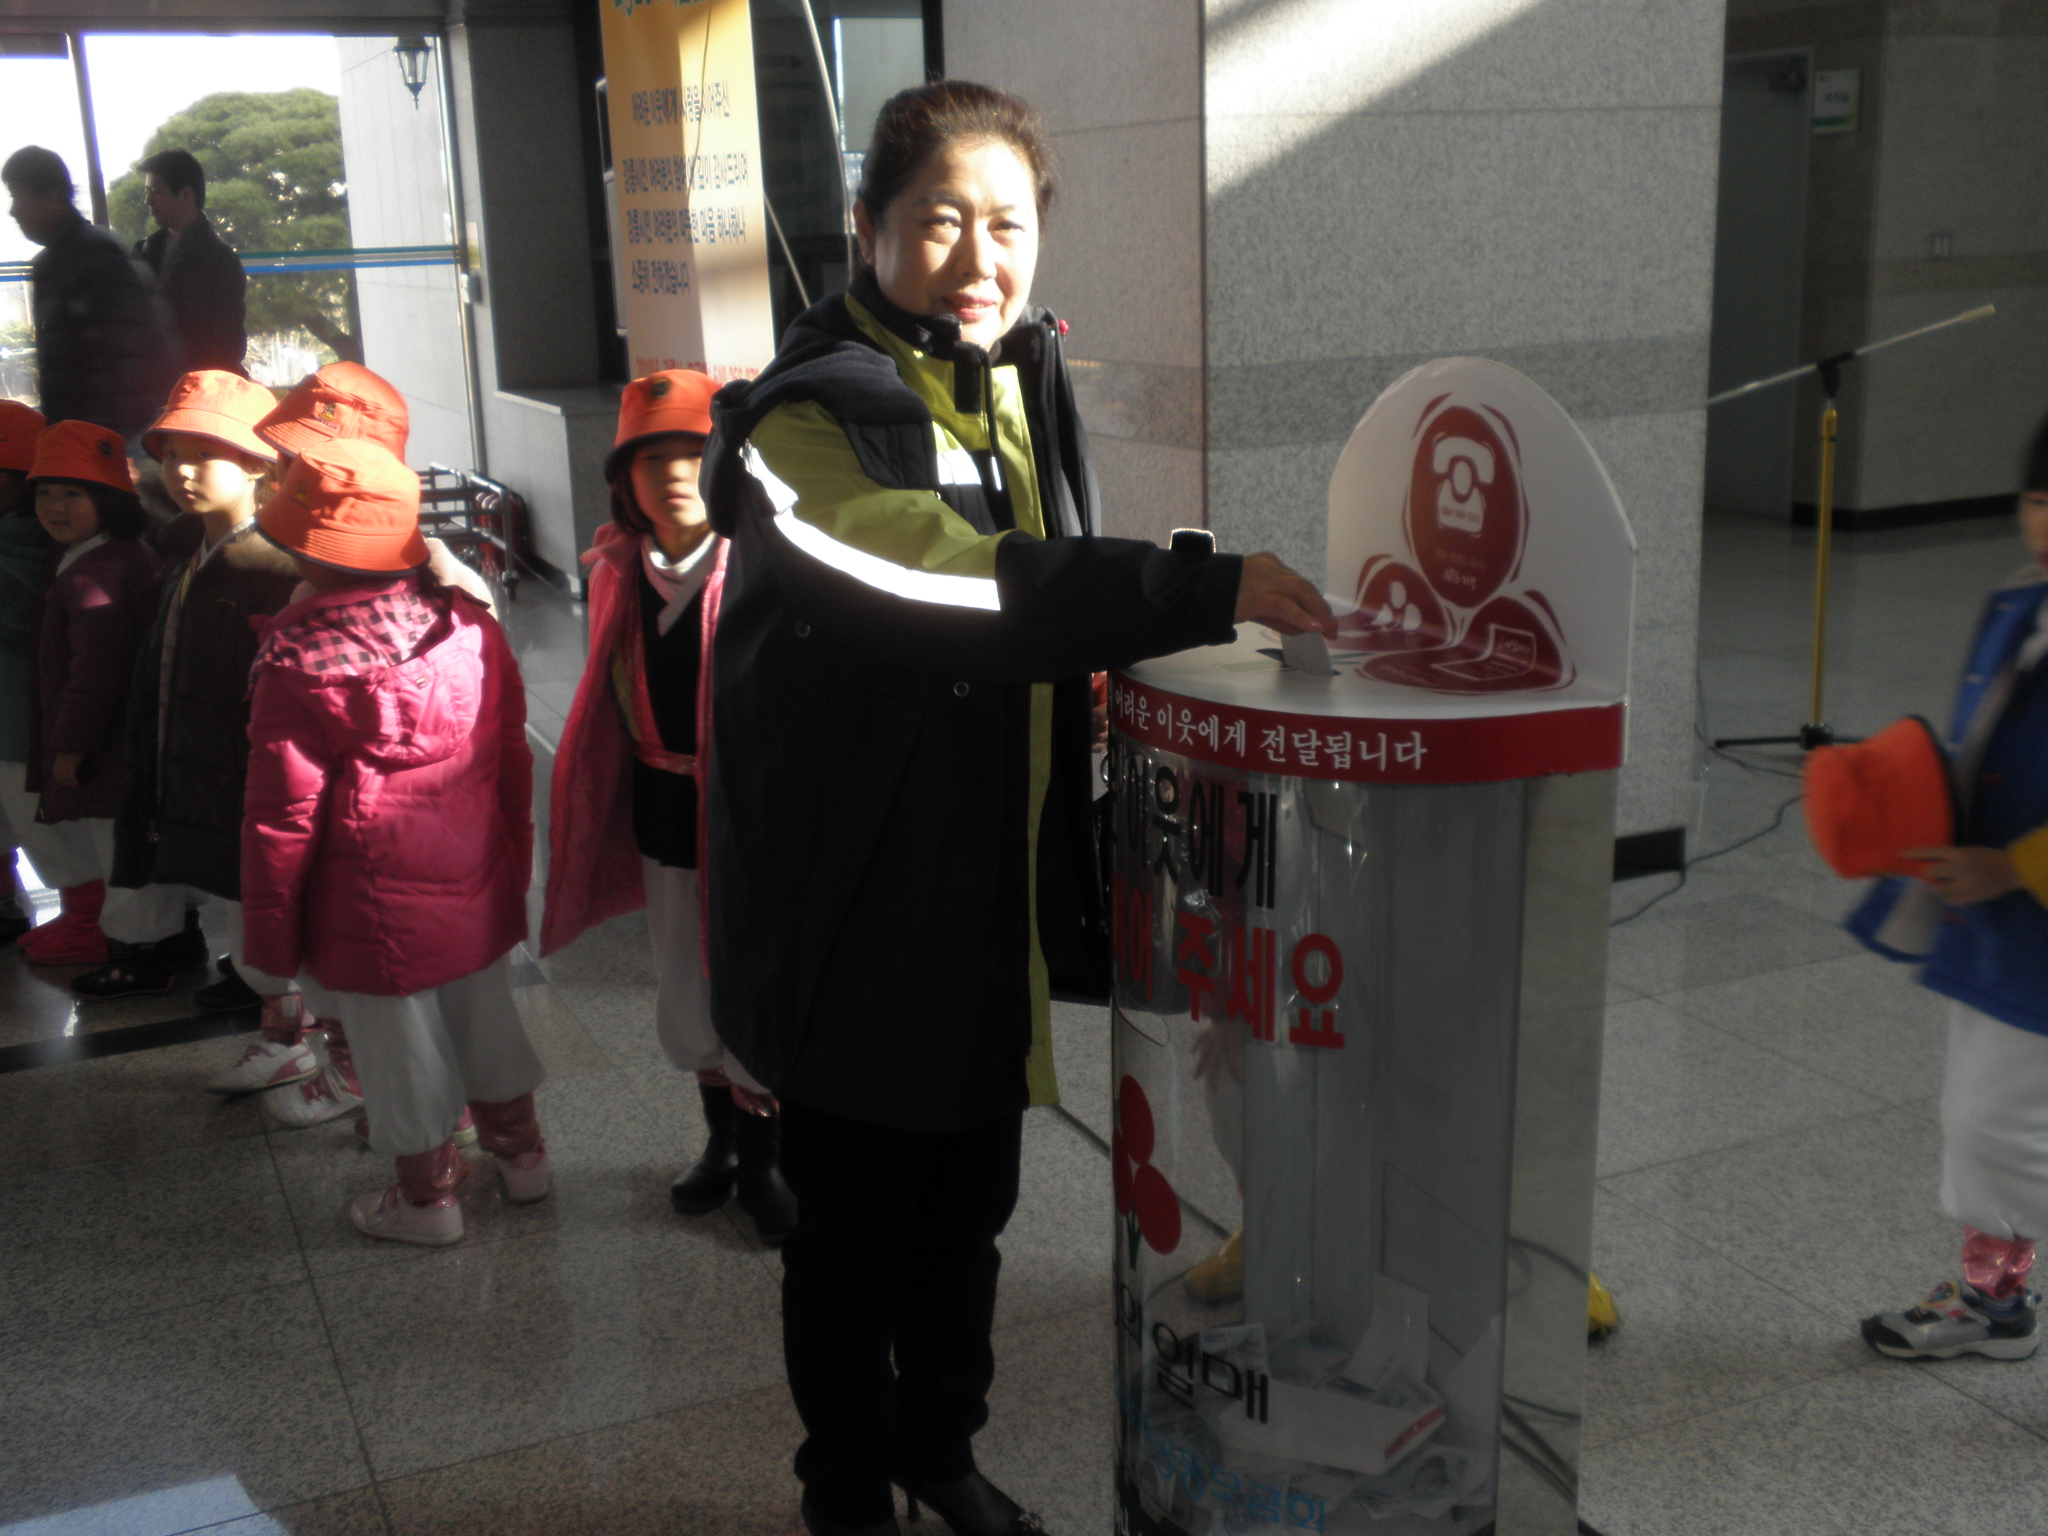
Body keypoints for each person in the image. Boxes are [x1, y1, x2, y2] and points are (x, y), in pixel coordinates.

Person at [699, 81, 1333, 1536]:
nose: (976, 257)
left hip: (992, 898)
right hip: (855, 909)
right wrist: (1192, 587)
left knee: (967, 1216)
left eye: (1006, 224)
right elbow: (931, 578)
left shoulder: (1016, 376)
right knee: (854, 1239)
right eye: (939, 220)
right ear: (866, 226)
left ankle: (941, 1454)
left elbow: (1039, 598)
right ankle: (847, 1493)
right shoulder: (802, 423)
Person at [240, 439, 545, 1246]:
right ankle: (524, 1162)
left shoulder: (294, 662)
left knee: (399, 1050)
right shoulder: (468, 625)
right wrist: (513, 867)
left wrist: (269, 940)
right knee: (486, 1021)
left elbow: (281, 820)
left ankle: (427, 1202)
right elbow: (511, 760)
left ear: (305, 549)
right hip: (473, 882)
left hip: (368, 909)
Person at [541, 369, 796, 1243]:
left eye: (694, 453)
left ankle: (767, 1157)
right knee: (683, 978)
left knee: (751, 973)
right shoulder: (621, 569)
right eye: (652, 460)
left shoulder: (763, 563)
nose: (676, 474)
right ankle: (720, 1139)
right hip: (663, 806)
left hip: (750, 817)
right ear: (624, 480)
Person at [1850, 418, 2048, 1362]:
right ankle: (1993, 1299)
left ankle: (1996, 1296)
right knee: (1977, 1118)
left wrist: (2014, 867)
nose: (2046, 525)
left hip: (2031, 922)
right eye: (2038, 500)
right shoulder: (2019, 605)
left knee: (1997, 1129)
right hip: (1997, 924)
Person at [72, 375, 299, 1026]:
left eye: (203, 454)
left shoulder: (273, 564)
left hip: (246, 763)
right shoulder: (186, 549)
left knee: (253, 883)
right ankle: (264, 997)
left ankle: (283, 1011)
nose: (181, 471)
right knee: (227, 879)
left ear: (258, 464)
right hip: (199, 754)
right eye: (170, 455)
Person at [14, 421, 164, 967]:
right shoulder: (102, 556)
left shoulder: (96, 574)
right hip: (120, 742)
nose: (55, 507)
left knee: (119, 851)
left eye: (72, 494)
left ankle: (136, 956)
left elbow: (95, 674)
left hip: (107, 749)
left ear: (109, 499)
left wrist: (69, 747)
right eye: (45, 493)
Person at [3, 147, 178, 440]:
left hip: (111, 442)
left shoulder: (91, 257)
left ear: (53, 196)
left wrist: (92, 444)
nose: (13, 210)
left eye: (18, 196)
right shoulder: (70, 256)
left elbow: (124, 362)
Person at [0, 399, 52, 945]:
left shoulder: (23, 548)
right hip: (19, 724)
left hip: (19, 725)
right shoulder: (52, 544)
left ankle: (89, 918)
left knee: (48, 835)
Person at [132, 149, 247, 376]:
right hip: (155, 382)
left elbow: (229, 344)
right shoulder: (143, 251)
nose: (148, 201)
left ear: (186, 194)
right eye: (147, 191)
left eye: (156, 191)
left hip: (198, 385)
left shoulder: (220, 259)